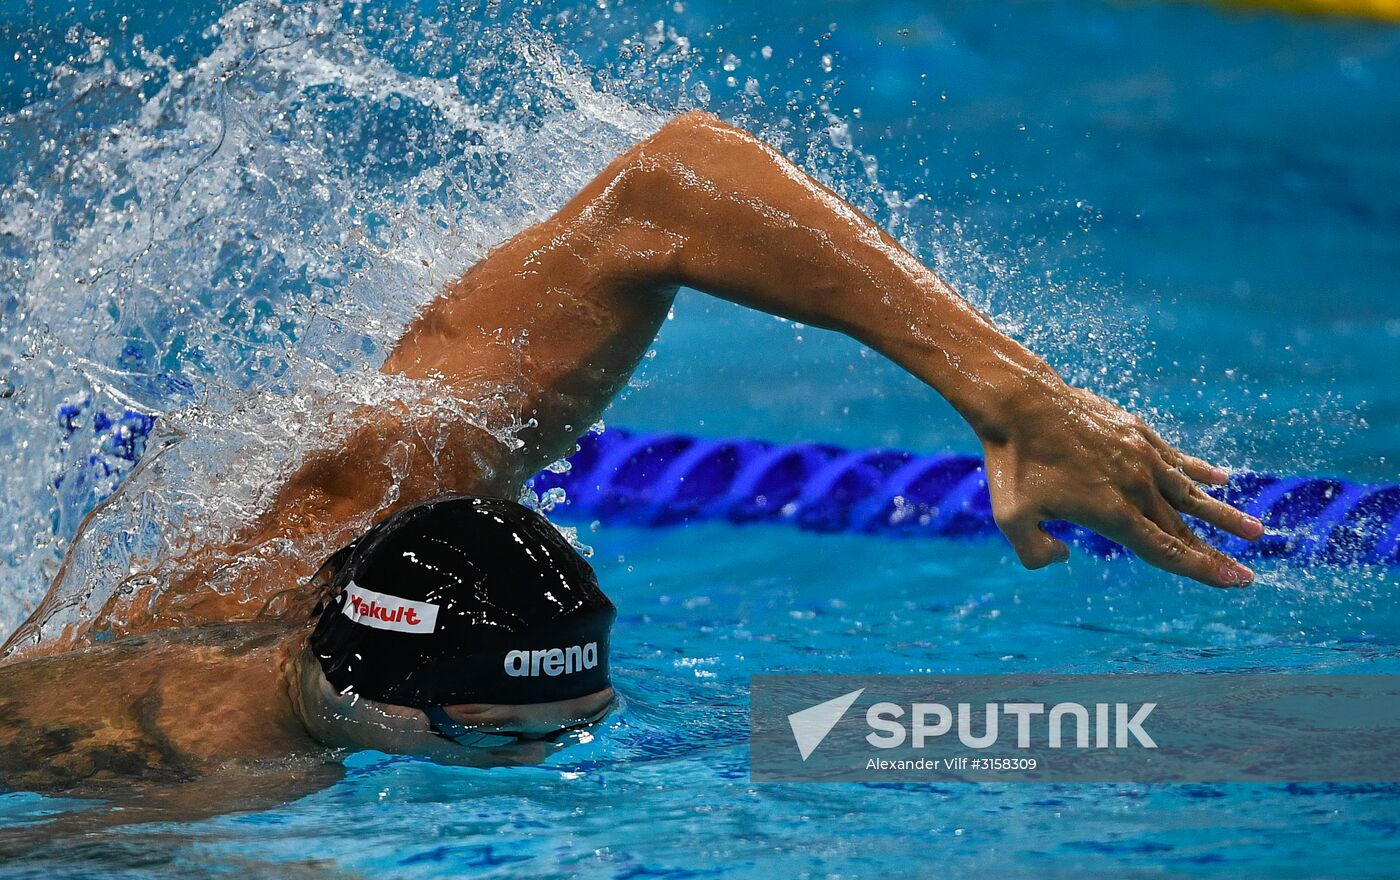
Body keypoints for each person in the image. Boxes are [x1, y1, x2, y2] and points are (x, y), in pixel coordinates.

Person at [0, 112, 1263, 798]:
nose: (553, 766)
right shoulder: (181, 767)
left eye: (572, 722)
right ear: (382, 705)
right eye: (507, 743)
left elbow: (670, 186)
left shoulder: (388, 480)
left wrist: (1009, 398)